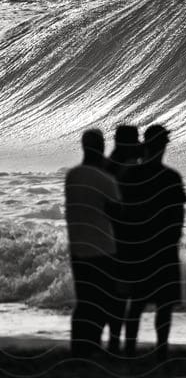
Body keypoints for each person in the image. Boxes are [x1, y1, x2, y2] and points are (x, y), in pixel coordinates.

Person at [114, 124, 186, 358]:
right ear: (162, 146)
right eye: (164, 143)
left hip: (138, 247)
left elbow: (121, 214)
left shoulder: (131, 175)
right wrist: (173, 241)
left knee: (136, 301)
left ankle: (129, 348)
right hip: (163, 248)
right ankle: (161, 350)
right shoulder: (170, 177)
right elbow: (177, 218)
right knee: (163, 305)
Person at [63, 129, 121, 357]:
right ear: (101, 147)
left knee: (84, 300)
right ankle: (94, 345)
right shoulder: (106, 180)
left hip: (78, 247)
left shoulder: (73, 176)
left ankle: (79, 348)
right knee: (103, 301)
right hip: (103, 249)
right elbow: (118, 212)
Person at [101, 123, 141, 352]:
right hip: (123, 238)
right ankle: (120, 343)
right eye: (134, 140)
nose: (137, 144)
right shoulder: (120, 167)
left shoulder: (110, 164)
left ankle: (117, 341)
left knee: (119, 293)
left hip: (112, 237)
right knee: (123, 294)